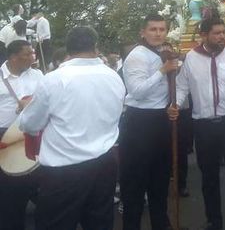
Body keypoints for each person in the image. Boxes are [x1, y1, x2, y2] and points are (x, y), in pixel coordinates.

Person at [19, 27, 125, 230]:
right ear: (95, 47)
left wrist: (27, 109)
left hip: (65, 171)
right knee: (100, 223)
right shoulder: (113, 76)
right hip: (104, 163)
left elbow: (30, 124)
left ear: (68, 49)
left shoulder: (54, 79)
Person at [169, 16, 225, 230]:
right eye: (217, 33)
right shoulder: (191, 58)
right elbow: (181, 86)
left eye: (223, 33)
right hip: (204, 125)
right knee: (209, 177)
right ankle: (214, 221)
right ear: (203, 35)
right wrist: (176, 105)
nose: (221, 37)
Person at [119, 14, 179, 230]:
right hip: (139, 123)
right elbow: (137, 91)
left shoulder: (165, 52)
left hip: (160, 120)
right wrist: (162, 70)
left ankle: (161, 224)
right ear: (142, 32)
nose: (158, 33)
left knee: (160, 182)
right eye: (153, 29)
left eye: (162, 29)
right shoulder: (137, 56)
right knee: (134, 185)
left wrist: (172, 106)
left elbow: (171, 86)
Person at [0, 40, 43, 230]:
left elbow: (46, 100)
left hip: (32, 133)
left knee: (36, 183)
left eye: (33, 53)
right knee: (9, 190)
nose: (33, 57)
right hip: (4, 137)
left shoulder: (38, 75)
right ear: (14, 57)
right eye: (28, 54)